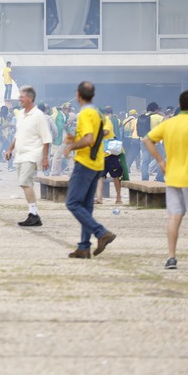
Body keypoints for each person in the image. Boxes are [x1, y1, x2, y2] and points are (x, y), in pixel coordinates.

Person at [142, 90, 188, 270]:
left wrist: (160, 161)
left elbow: (147, 139)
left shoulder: (169, 124)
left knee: (174, 217)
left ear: (179, 104)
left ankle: (171, 258)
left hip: (172, 176)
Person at [61, 82, 117, 260]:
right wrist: (76, 139)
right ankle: (84, 247)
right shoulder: (98, 112)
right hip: (98, 162)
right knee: (86, 206)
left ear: (78, 95)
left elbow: (89, 139)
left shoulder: (85, 113)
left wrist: (71, 146)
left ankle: (101, 233)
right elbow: (96, 136)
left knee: (72, 203)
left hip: (85, 162)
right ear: (93, 94)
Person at [5, 86, 52, 227]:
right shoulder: (20, 114)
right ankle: (33, 213)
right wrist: (10, 149)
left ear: (30, 98)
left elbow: (46, 138)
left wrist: (45, 158)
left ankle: (34, 214)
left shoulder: (38, 115)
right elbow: (17, 135)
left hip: (32, 154)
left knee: (25, 182)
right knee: (25, 184)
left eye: (22, 97)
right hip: (20, 154)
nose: (20, 99)